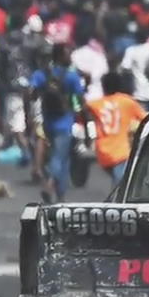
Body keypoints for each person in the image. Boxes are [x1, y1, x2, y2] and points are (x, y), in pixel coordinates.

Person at [29, 44, 87, 203]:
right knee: (59, 157)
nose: (70, 58)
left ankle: (61, 196)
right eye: (67, 54)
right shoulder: (71, 76)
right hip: (64, 122)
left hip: (48, 122)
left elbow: (31, 94)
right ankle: (50, 185)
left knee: (62, 158)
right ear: (60, 56)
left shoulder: (42, 74)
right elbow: (81, 101)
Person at [87, 72, 146, 185]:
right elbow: (145, 119)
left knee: (118, 182)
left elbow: (81, 112)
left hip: (103, 153)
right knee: (120, 186)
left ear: (103, 86)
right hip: (121, 153)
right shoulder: (127, 102)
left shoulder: (94, 104)